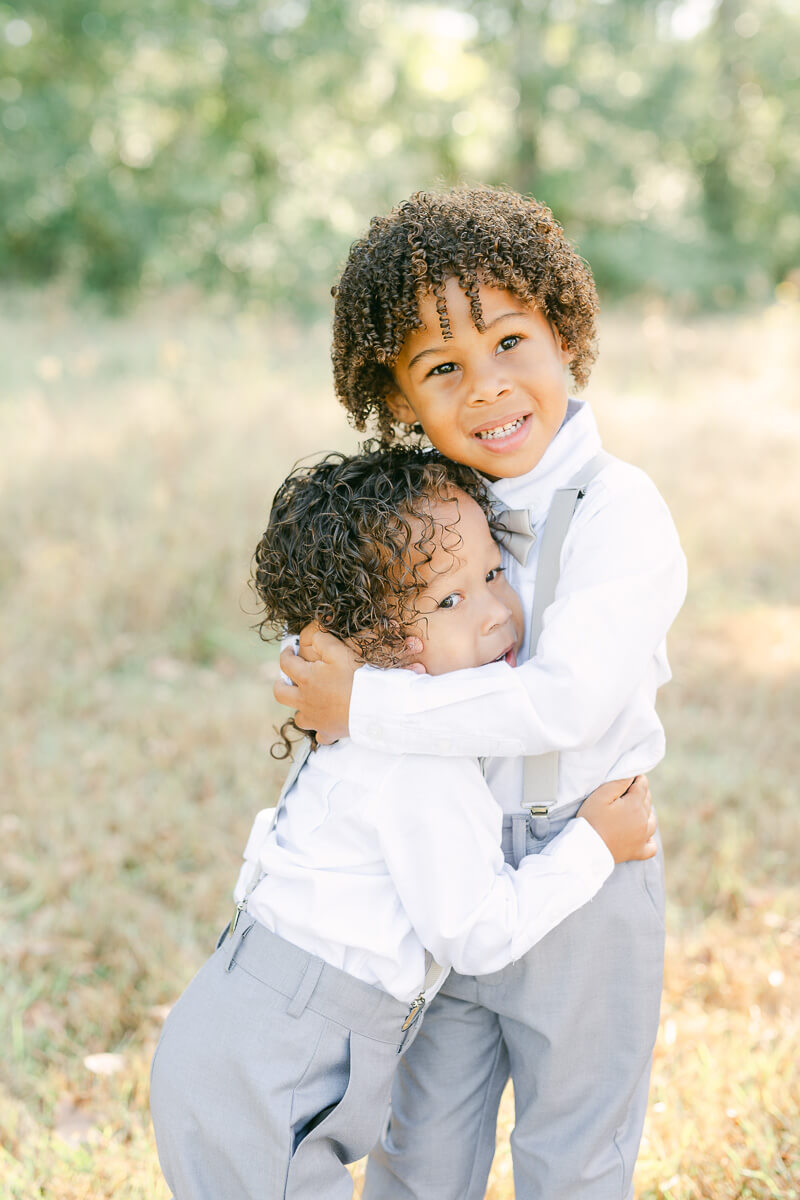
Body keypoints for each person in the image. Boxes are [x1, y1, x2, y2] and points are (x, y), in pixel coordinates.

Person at [274, 187, 688, 1199]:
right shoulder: (422, 509)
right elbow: (324, 648)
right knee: (417, 1155)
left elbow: (565, 703)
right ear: (396, 397)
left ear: (564, 332)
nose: (487, 389)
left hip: (587, 860)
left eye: (509, 342)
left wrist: (363, 707)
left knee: (572, 1158)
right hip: (440, 874)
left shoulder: (619, 511)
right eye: (442, 368)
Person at [149, 446, 657, 1200]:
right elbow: (478, 933)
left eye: (491, 574)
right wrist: (591, 846)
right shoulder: (417, 765)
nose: (495, 611)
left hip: (245, 1035)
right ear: (375, 642)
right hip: (269, 1069)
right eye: (447, 602)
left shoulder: (368, 714)